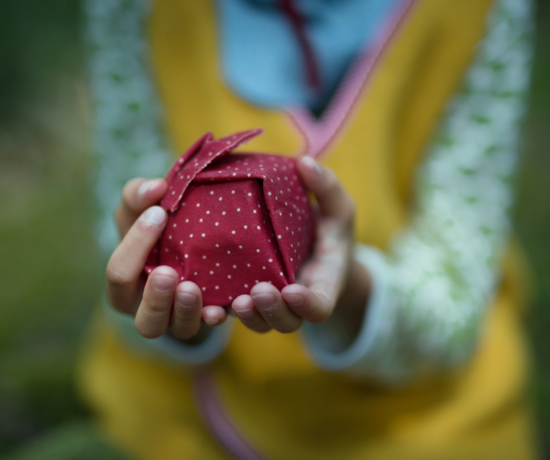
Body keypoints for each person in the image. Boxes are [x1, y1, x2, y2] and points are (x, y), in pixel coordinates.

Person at [79, 0, 538, 458]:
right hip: (185, 417)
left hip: (426, 418)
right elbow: (124, 250)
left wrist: (353, 291)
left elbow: (454, 293)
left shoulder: (480, 12)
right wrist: (170, 311)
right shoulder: (135, 10)